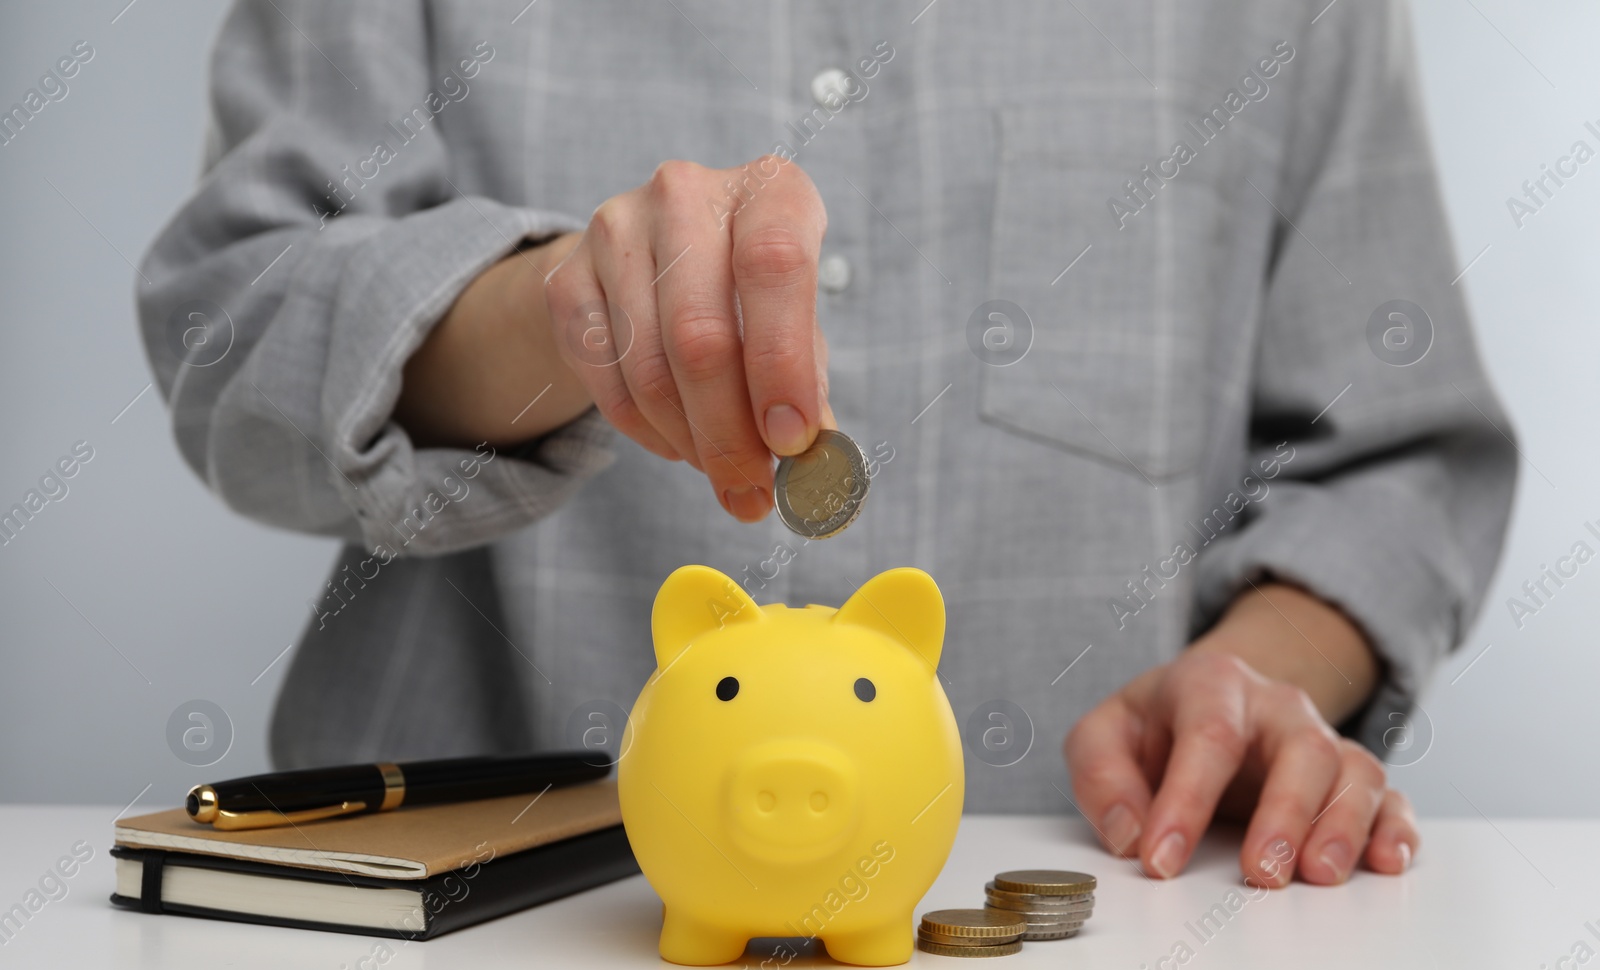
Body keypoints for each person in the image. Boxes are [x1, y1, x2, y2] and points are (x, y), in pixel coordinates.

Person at [138, 0, 1515, 888]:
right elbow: (230, 340)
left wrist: (1243, 679)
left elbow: (1394, 463)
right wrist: (557, 316)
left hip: (1089, 946)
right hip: (471, 938)